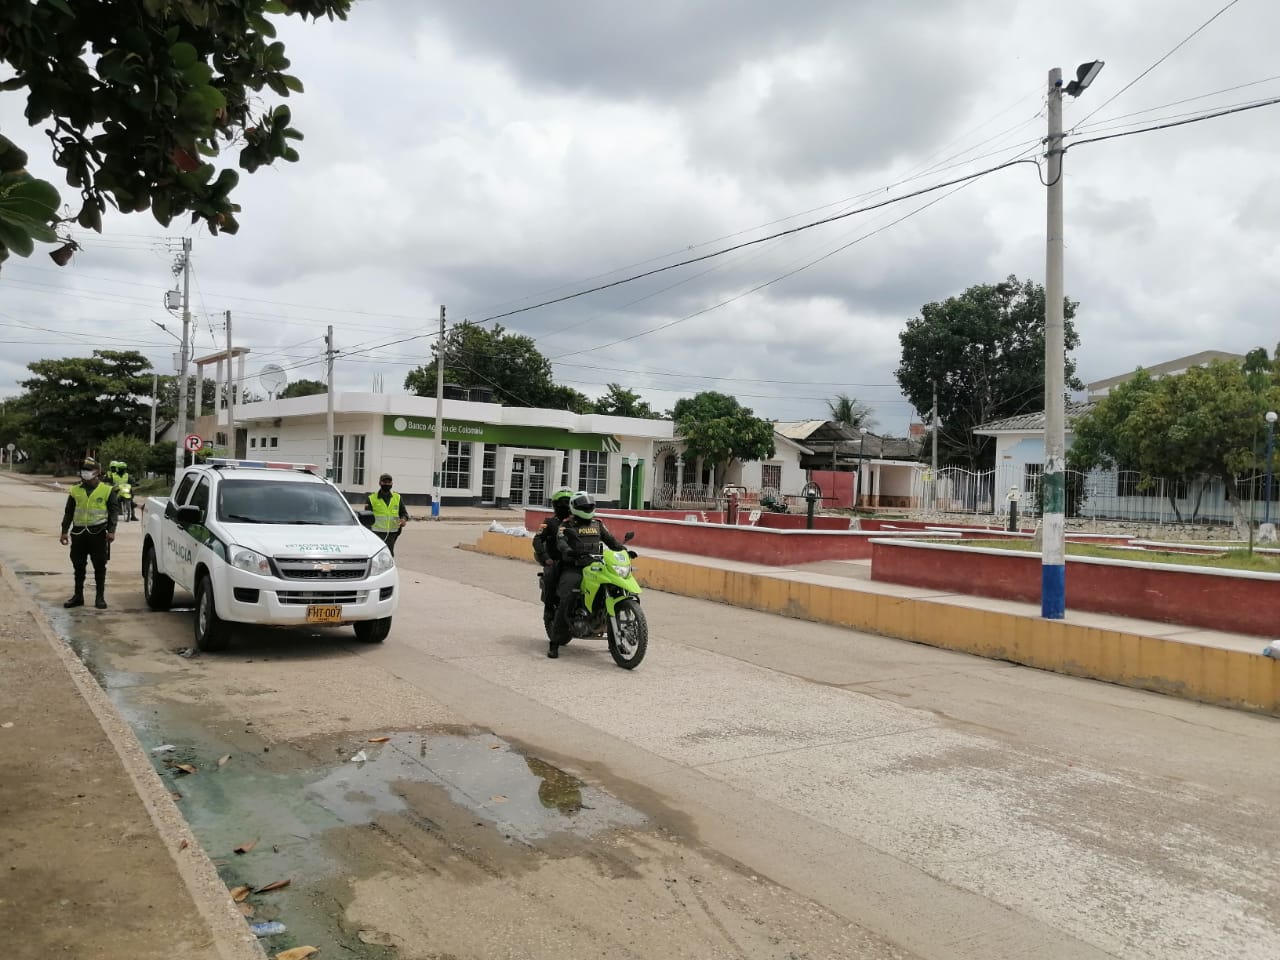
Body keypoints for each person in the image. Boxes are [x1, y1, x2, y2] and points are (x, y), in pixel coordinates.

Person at [549, 492, 623, 659]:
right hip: (574, 568)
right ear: (575, 508)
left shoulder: (597, 524)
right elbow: (561, 542)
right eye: (584, 507)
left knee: (614, 585)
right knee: (567, 598)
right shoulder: (567, 525)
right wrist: (568, 551)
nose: (588, 509)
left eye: (590, 506)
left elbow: (611, 541)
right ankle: (554, 642)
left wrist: (623, 550)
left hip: (596, 566)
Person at [59, 458, 119, 609]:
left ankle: (100, 597)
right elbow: (69, 512)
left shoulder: (107, 490)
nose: (84, 473)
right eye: (83, 470)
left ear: (97, 472)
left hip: (98, 533)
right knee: (78, 566)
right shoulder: (75, 490)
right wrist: (64, 531)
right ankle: (78, 596)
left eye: (88, 470)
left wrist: (111, 531)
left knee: (100, 566)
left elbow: (113, 512)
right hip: (79, 533)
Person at [532, 488, 576, 635]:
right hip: (556, 561)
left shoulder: (578, 521)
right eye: (561, 503)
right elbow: (537, 540)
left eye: (567, 503)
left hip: (576, 561)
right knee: (551, 576)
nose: (565, 506)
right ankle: (549, 609)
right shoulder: (549, 522)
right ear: (555, 505)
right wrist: (546, 558)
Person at [366, 472, 408, 555]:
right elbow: (367, 518)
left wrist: (403, 519)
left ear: (392, 483)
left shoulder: (397, 497)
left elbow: (404, 513)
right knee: (376, 554)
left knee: (389, 554)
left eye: (389, 482)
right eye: (384, 482)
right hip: (376, 533)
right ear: (380, 483)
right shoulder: (371, 498)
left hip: (392, 534)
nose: (387, 484)